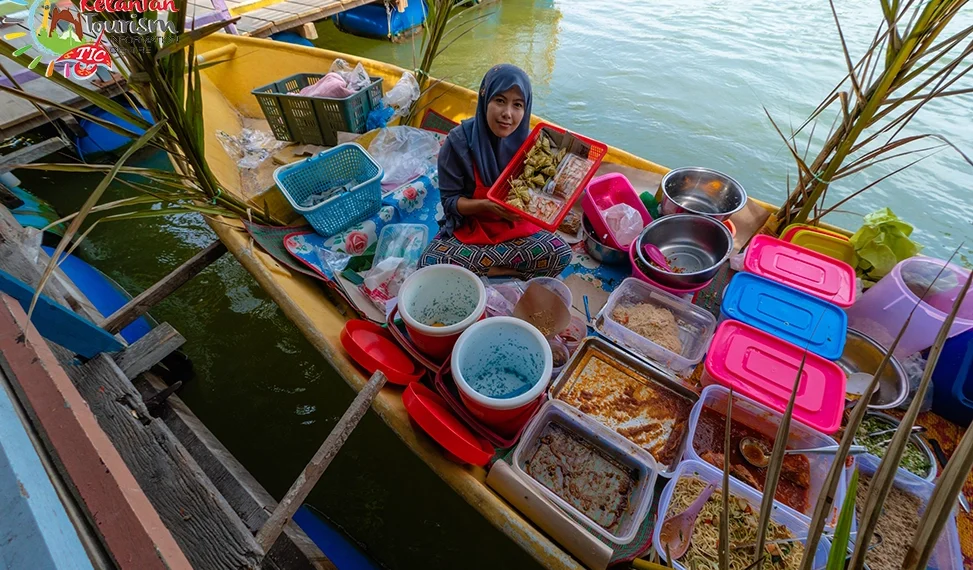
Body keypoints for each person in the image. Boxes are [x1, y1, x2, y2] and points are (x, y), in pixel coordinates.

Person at [419, 64, 572, 278]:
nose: (507, 114)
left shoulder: (535, 147)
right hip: (473, 228)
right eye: (500, 101)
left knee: (562, 253)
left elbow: (541, 195)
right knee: (429, 263)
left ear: (526, 109)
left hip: (516, 230)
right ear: (485, 99)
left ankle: (487, 269)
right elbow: (450, 202)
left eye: (517, 105)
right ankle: (503, 270)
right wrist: (487, 205)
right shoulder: (458, 142)